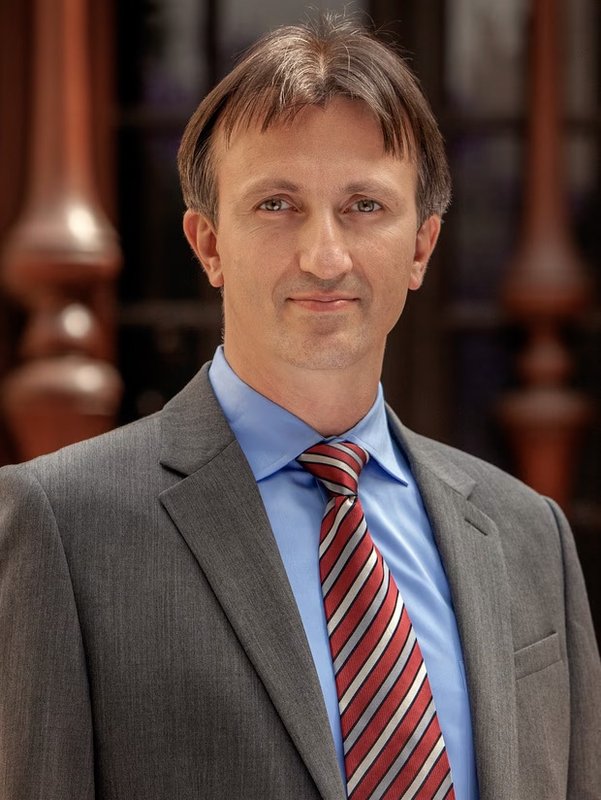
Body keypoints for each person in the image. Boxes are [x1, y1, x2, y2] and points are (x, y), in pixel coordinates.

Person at [1, 13, 599, 800]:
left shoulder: (529, 536)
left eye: (364, 206)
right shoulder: (60, 527)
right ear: (208, 243)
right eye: (277, 205)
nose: (324, 256)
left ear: (420, 247)